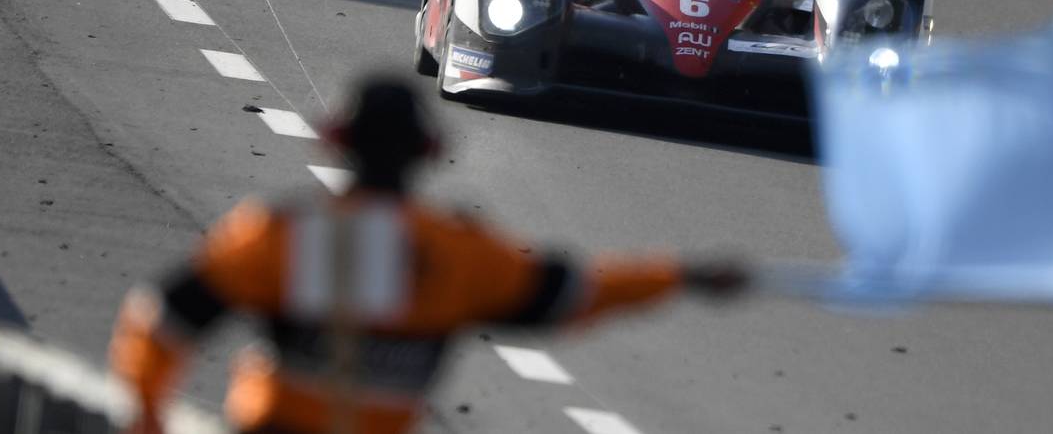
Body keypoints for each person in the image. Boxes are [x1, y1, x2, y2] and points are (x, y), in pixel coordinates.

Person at [109, 74, 746, 434]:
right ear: (425, 153)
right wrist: (682, 275)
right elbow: (577, 293)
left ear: (336, 144)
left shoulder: (279, 234)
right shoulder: (460, 253)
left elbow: (158, 320)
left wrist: (145, 419)